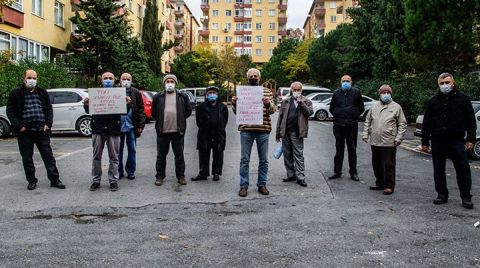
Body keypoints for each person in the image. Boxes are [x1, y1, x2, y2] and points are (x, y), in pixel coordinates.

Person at [421, 73, 476, 209]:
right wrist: (425, 142)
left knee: (463, 169)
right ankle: (442, 194)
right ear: (438, 84)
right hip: (438, 140)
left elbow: (470, 121)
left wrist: (470, 139)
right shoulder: (433, 100)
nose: (445, 85)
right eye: (442, 83)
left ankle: (466, 197)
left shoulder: (463, 99)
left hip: (456, 139)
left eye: (447, 82)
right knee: (438, 169)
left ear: (452, 82)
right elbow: (426, 122)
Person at [6, 69, 65, 190]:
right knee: (27, 157)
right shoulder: (16, 93)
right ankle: (31, 180)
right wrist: (19, 126)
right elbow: (10, 111)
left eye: (34, 77)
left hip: (42, 129)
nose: (32, 80)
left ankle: (55, 180)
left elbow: (49, 108)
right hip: (25, 131)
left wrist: (48, 124)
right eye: (29, 77)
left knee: (48, 156)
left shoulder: (42, 92)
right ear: (24, 78)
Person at [232, 68, 276, 197]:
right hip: (246, 129)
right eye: (251, 76)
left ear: (259, 78)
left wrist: (268, 104)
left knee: (264, 160)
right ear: (247, 78)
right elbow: (237, 112)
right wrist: (234, 104)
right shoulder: (242, 92)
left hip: (263, 130)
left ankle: (262, 184)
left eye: (255, 75)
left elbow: (273, 110)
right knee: (244, 159)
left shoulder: (267, 91)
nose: (253, 77)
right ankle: (243, 186)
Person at [84, 72, 125, 192]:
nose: (107, 80)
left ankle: (113, 181)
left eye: (110, 78)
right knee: (96, 156)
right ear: (101, 81)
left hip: (113, 129)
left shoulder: (118, 94)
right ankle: (96, 181)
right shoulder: (96, 94)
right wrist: (86, 104)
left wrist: (127, 104)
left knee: (114, 157)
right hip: (98, 128)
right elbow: (89, 110)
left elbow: (124, 112)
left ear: (114, 80)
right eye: (105, 78)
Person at [362, 85, 407, 195]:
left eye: (388, 92)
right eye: (383, 92)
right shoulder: (374, 107)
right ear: (380, 94)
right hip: (375, 140)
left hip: (389, 141)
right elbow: (368, 121)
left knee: (388, 164)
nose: (385, 94)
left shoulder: (396, 107)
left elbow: (402, 123)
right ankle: (380, 183)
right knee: (376, 163)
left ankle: (389, 186)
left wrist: (398, 137)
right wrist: (365, 134)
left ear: (391, 94)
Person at [152, 74, 192, 186]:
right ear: (164, 83)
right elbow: (154, 113)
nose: (169, 83)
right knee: (161, 155)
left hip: (178, 131)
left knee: (179, 155)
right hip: (162, 132)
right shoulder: (157, 97)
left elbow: (188, 111)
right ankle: (159, 176)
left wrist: (180, 121)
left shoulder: (182, 96)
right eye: (167, 81)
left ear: (175, 83)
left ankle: (181, 176)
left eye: (172, 81)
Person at [276, 82, 313, 187]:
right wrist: (278, 133)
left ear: (301, 90)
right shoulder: (286, 101)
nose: (296, 91)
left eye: (298, 90)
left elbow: (310, 113)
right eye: (294, 89)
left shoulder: (306, 101)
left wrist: (301, 103)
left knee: (298, 155)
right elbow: (280, 118)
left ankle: (300, 177)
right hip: (286, 131)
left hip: (297, 132)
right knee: (287, 155)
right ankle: (291, 175)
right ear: (291, 90)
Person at [328, 75, 365, 181]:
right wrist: (338, 115)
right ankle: (337, 171)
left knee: (352, 149)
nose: (345, 82)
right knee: (339, 149)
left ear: (351, 82)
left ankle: (353, 172)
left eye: (347, 81)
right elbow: (331, 108)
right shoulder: (336, 93)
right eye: (343, 81)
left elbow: (361, 107)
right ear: (340, 82)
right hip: (339, 125)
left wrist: (354, 115)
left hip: (352, 125)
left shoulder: (356, 92)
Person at [191, 86, 229, 182]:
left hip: (218, 134)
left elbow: (225, 121)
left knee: (218, 154)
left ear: (217, 94)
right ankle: (203, 173)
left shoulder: (223, 108)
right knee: (203, 154)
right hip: (205, 134)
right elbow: (198, 122)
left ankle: (216, 173)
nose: (212, 94)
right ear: (206, 95)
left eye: (214, 93)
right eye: (210, 93)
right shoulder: (200, 107)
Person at [118, 73, 146, 180]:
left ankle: (130, 171)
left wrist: (140, 125)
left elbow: (141, 109)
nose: (125, 81)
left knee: (132, 149)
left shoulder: (136, 92)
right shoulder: (114, 91)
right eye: (123, 79)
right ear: (120, 80)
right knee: (117, 151)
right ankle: (119, 171)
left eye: (128, 79)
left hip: (131, 126)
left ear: (131, 80)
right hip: (118, 126)